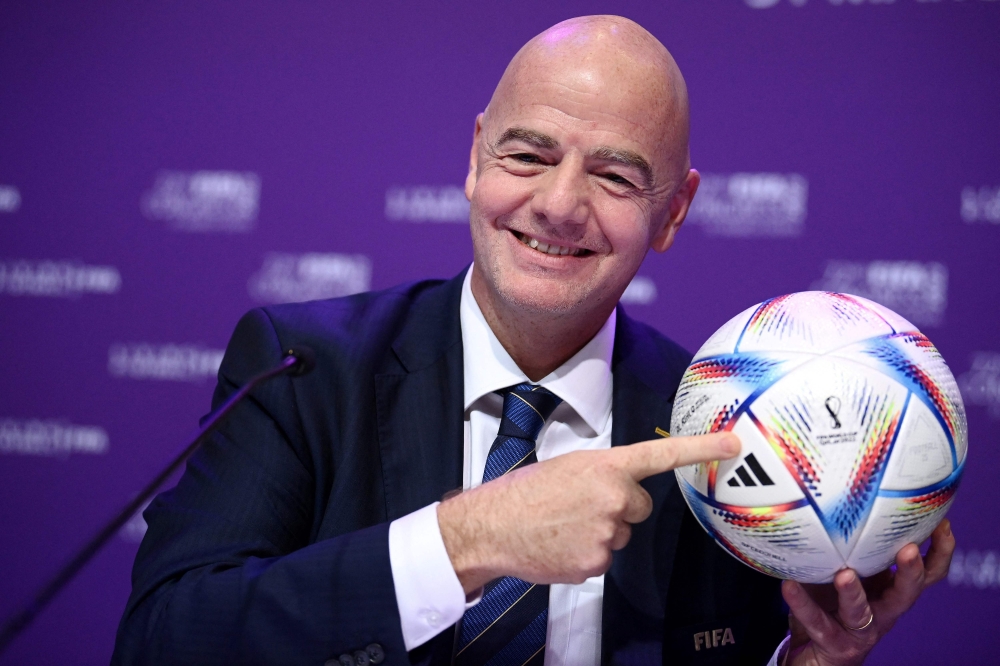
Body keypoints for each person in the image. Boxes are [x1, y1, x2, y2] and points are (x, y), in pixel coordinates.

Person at [112, 15, 955, 666]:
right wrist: (470, 540)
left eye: (615, 175)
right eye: (528, 155)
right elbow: (162, 641)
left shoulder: (729, 431)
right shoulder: (302, 367)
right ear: (476, 157)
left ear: (674, 212)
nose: (558, 205)